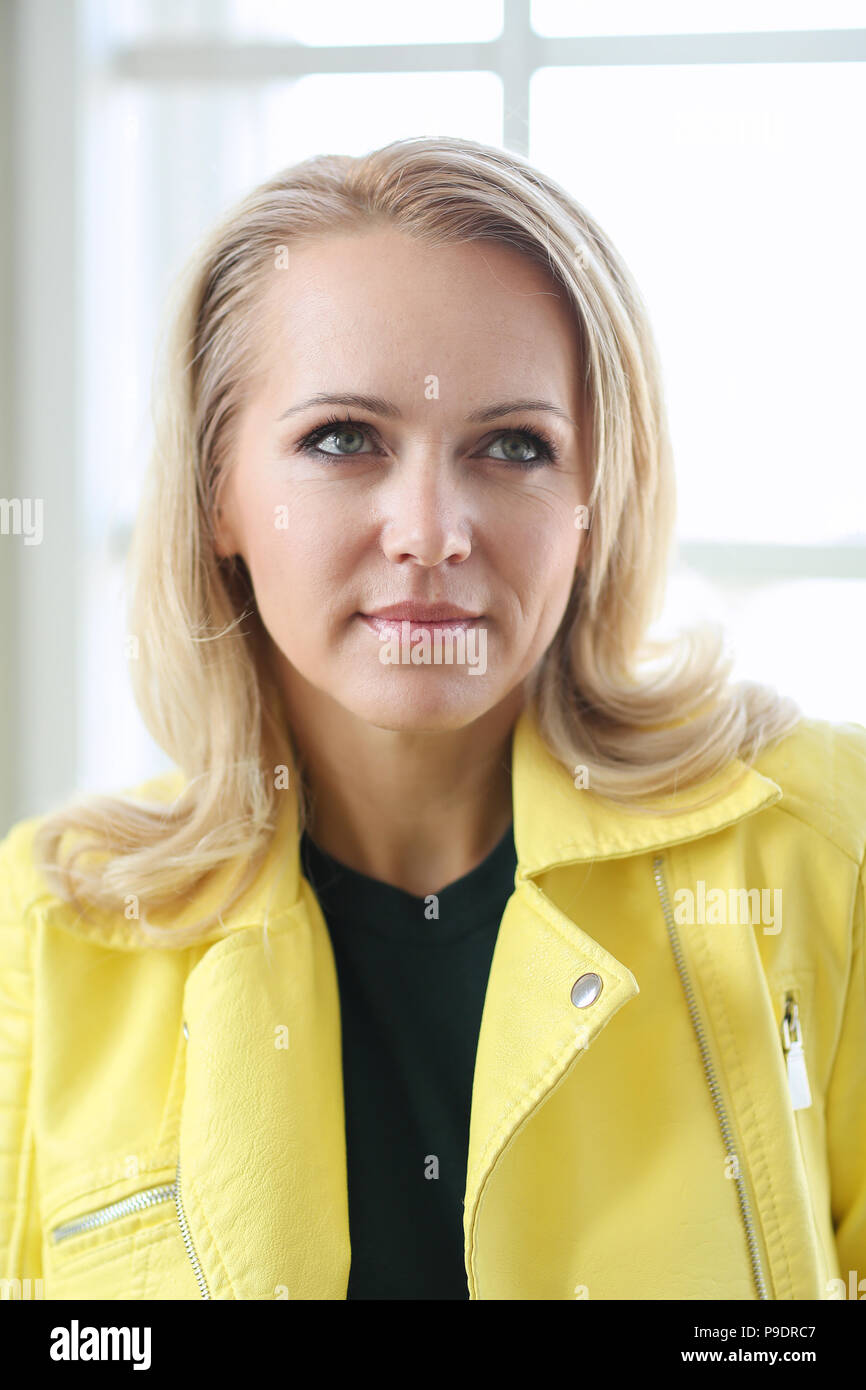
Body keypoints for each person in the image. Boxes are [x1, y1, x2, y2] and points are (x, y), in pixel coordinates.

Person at [1, 135, 863, 1301]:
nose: (432, 532)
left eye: (513, 446)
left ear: (593, 501)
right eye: (342, 440)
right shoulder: (45, 932)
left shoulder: (821, 847)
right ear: (219, 493)